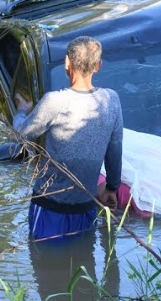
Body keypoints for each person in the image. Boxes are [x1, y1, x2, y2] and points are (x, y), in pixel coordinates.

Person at [13, 36, 123, 241]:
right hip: (85, 206)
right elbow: (114, 149)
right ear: (98, 66)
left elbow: (20, 135)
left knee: (44, 264)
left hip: (50, 208)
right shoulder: (111, 100)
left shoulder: (55, 101)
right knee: (84, 265)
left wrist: (20, 111)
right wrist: (111, 187)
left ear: (67, 63)